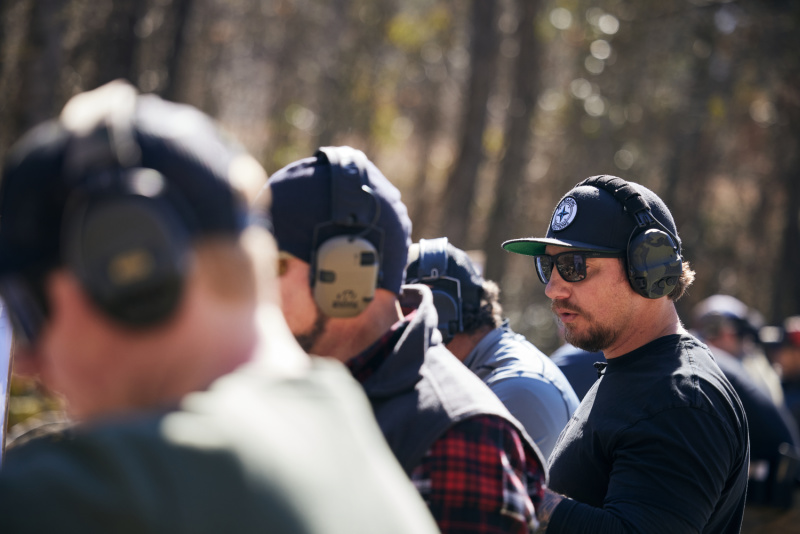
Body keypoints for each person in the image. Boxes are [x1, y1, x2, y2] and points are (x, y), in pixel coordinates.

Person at [0, 80, 440, 533]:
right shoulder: (338, 421)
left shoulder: (100, 493)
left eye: (27, 314)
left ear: (129, 271)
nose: (25, 364)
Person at [266, 147, 547, 533]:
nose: (252, 288)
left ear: (348, 274)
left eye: (270, 265)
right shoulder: (291, 384)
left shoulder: (460, 438)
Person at [502, 175, 749, 532]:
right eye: (548, 266)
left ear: (648, 268)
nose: (553, 288)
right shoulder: (633, 372)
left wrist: (519, 494)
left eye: (574, 265)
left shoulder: (681, 400)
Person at [405, 237, 579, 458]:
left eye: (406, 309)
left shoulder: (517, 389)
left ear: (441, 311)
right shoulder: (486, 370)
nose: (397, 324)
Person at [692, 295, 799, 508]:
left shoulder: (748, 370)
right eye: (709, 328)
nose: (721, 335)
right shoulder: (728, 366)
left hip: (775, 494)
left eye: (720, 328)